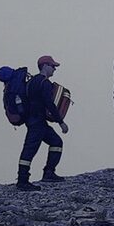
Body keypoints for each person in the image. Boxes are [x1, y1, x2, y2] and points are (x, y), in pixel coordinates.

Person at [16, 55, 70, 191]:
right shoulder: (44, 83)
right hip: (38, 122)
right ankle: (22, 180)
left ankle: (49, 172)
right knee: (29, 150)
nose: (54, 69)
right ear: (45, 66)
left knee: (56, 142)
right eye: (53, 66)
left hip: (33, 120)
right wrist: (61, 122)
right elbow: (49, 103)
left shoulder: (31, 81)